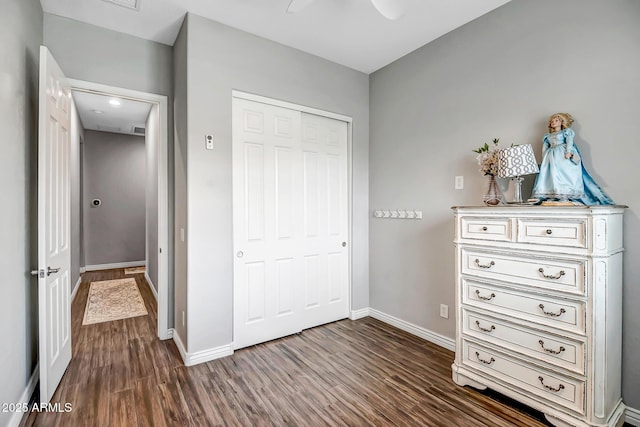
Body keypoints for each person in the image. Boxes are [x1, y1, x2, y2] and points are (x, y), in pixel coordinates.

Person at [531, 112, 614, 205]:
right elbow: (545, 148)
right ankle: (553, 195)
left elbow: (569, 142)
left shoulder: (566, 132)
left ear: (562, 122)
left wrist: (568, 151)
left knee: (564, 174)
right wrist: (544, 159)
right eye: (552, 121)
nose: (553, 122)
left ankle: (564, 196)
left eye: (556, 120)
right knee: (552, 175)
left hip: (562, 154)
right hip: (550, 156)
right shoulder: (548, 136)